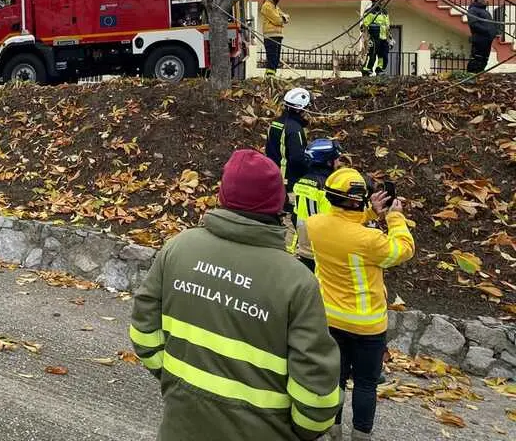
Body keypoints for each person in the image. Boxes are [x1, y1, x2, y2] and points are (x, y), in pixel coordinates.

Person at [130, 149, 341, 441]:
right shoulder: (297, 281)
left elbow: (143, 330)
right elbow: (316, 394)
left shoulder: (179, 248)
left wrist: (174, 380)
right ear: (276, 204)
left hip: (181, 428)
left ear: (223, 194)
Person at [305, 168, 415, 441]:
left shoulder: (315, 225)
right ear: (356, 200)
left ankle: (333, 430)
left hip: (330, 320)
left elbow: (341, 225)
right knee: (366, 384)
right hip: (367, 326)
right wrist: (395, 217)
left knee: (336, 381)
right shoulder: (370, 240)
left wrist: (368, 214)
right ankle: (361, 435)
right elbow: (403, 249)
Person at [291, 139, 343, 272]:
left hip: (302, 248)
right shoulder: (329, 188)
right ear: (327, 162)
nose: (339, 163)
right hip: (322, 253)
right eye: (336, 159)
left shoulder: (301, 182)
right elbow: (333, 222)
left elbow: (295, 216)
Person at [265, 87, 311, 208]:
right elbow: (297, 158)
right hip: (288, 180)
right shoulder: (295, 129)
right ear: (302, 109)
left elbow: (268, 148)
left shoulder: (275, 123)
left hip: (273, 175)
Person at [260, 0, 290, 76]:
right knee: (272, 59)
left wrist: (284, 18)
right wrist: (283, 18)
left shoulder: (275, 7)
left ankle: (272, 76)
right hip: (271, 37)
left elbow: (286, 17)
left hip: (277, 36)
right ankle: (270, 77)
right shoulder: (267, 6)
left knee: (276, 60)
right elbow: (278, 20)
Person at [360, 0, 390, 77]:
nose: (383, 2)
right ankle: (366, 70)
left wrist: (390, 38)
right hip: (373, 37)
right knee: (371, 54)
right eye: (381, 0)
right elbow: (365, 25)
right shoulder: (369, 11)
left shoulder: (384, 12)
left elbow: (387, 25)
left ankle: (380, 70)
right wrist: (365, 29)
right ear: (375, 1)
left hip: (383, 38)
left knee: (383, 55)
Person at [467, 0, 498, 73]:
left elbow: (489, 24)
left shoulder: (485, 12)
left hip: (487, 40)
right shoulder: (473, 10)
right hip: (479, 39)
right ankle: (471, 78)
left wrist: (494, 32)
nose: (487, 0)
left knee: (484, 60)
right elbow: (473, 24)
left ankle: (479, 76)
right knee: (477, 59)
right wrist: (487, 31)